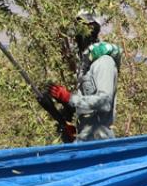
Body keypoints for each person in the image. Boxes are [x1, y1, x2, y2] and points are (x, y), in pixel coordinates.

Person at [49, 11, 121, 141]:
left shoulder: (104, 62)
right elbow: (88, 109)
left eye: (85, 29)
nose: (79, 36)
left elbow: (104, 102)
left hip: (99, 142)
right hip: (85, 140)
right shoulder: (86, 67)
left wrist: (69, 98)